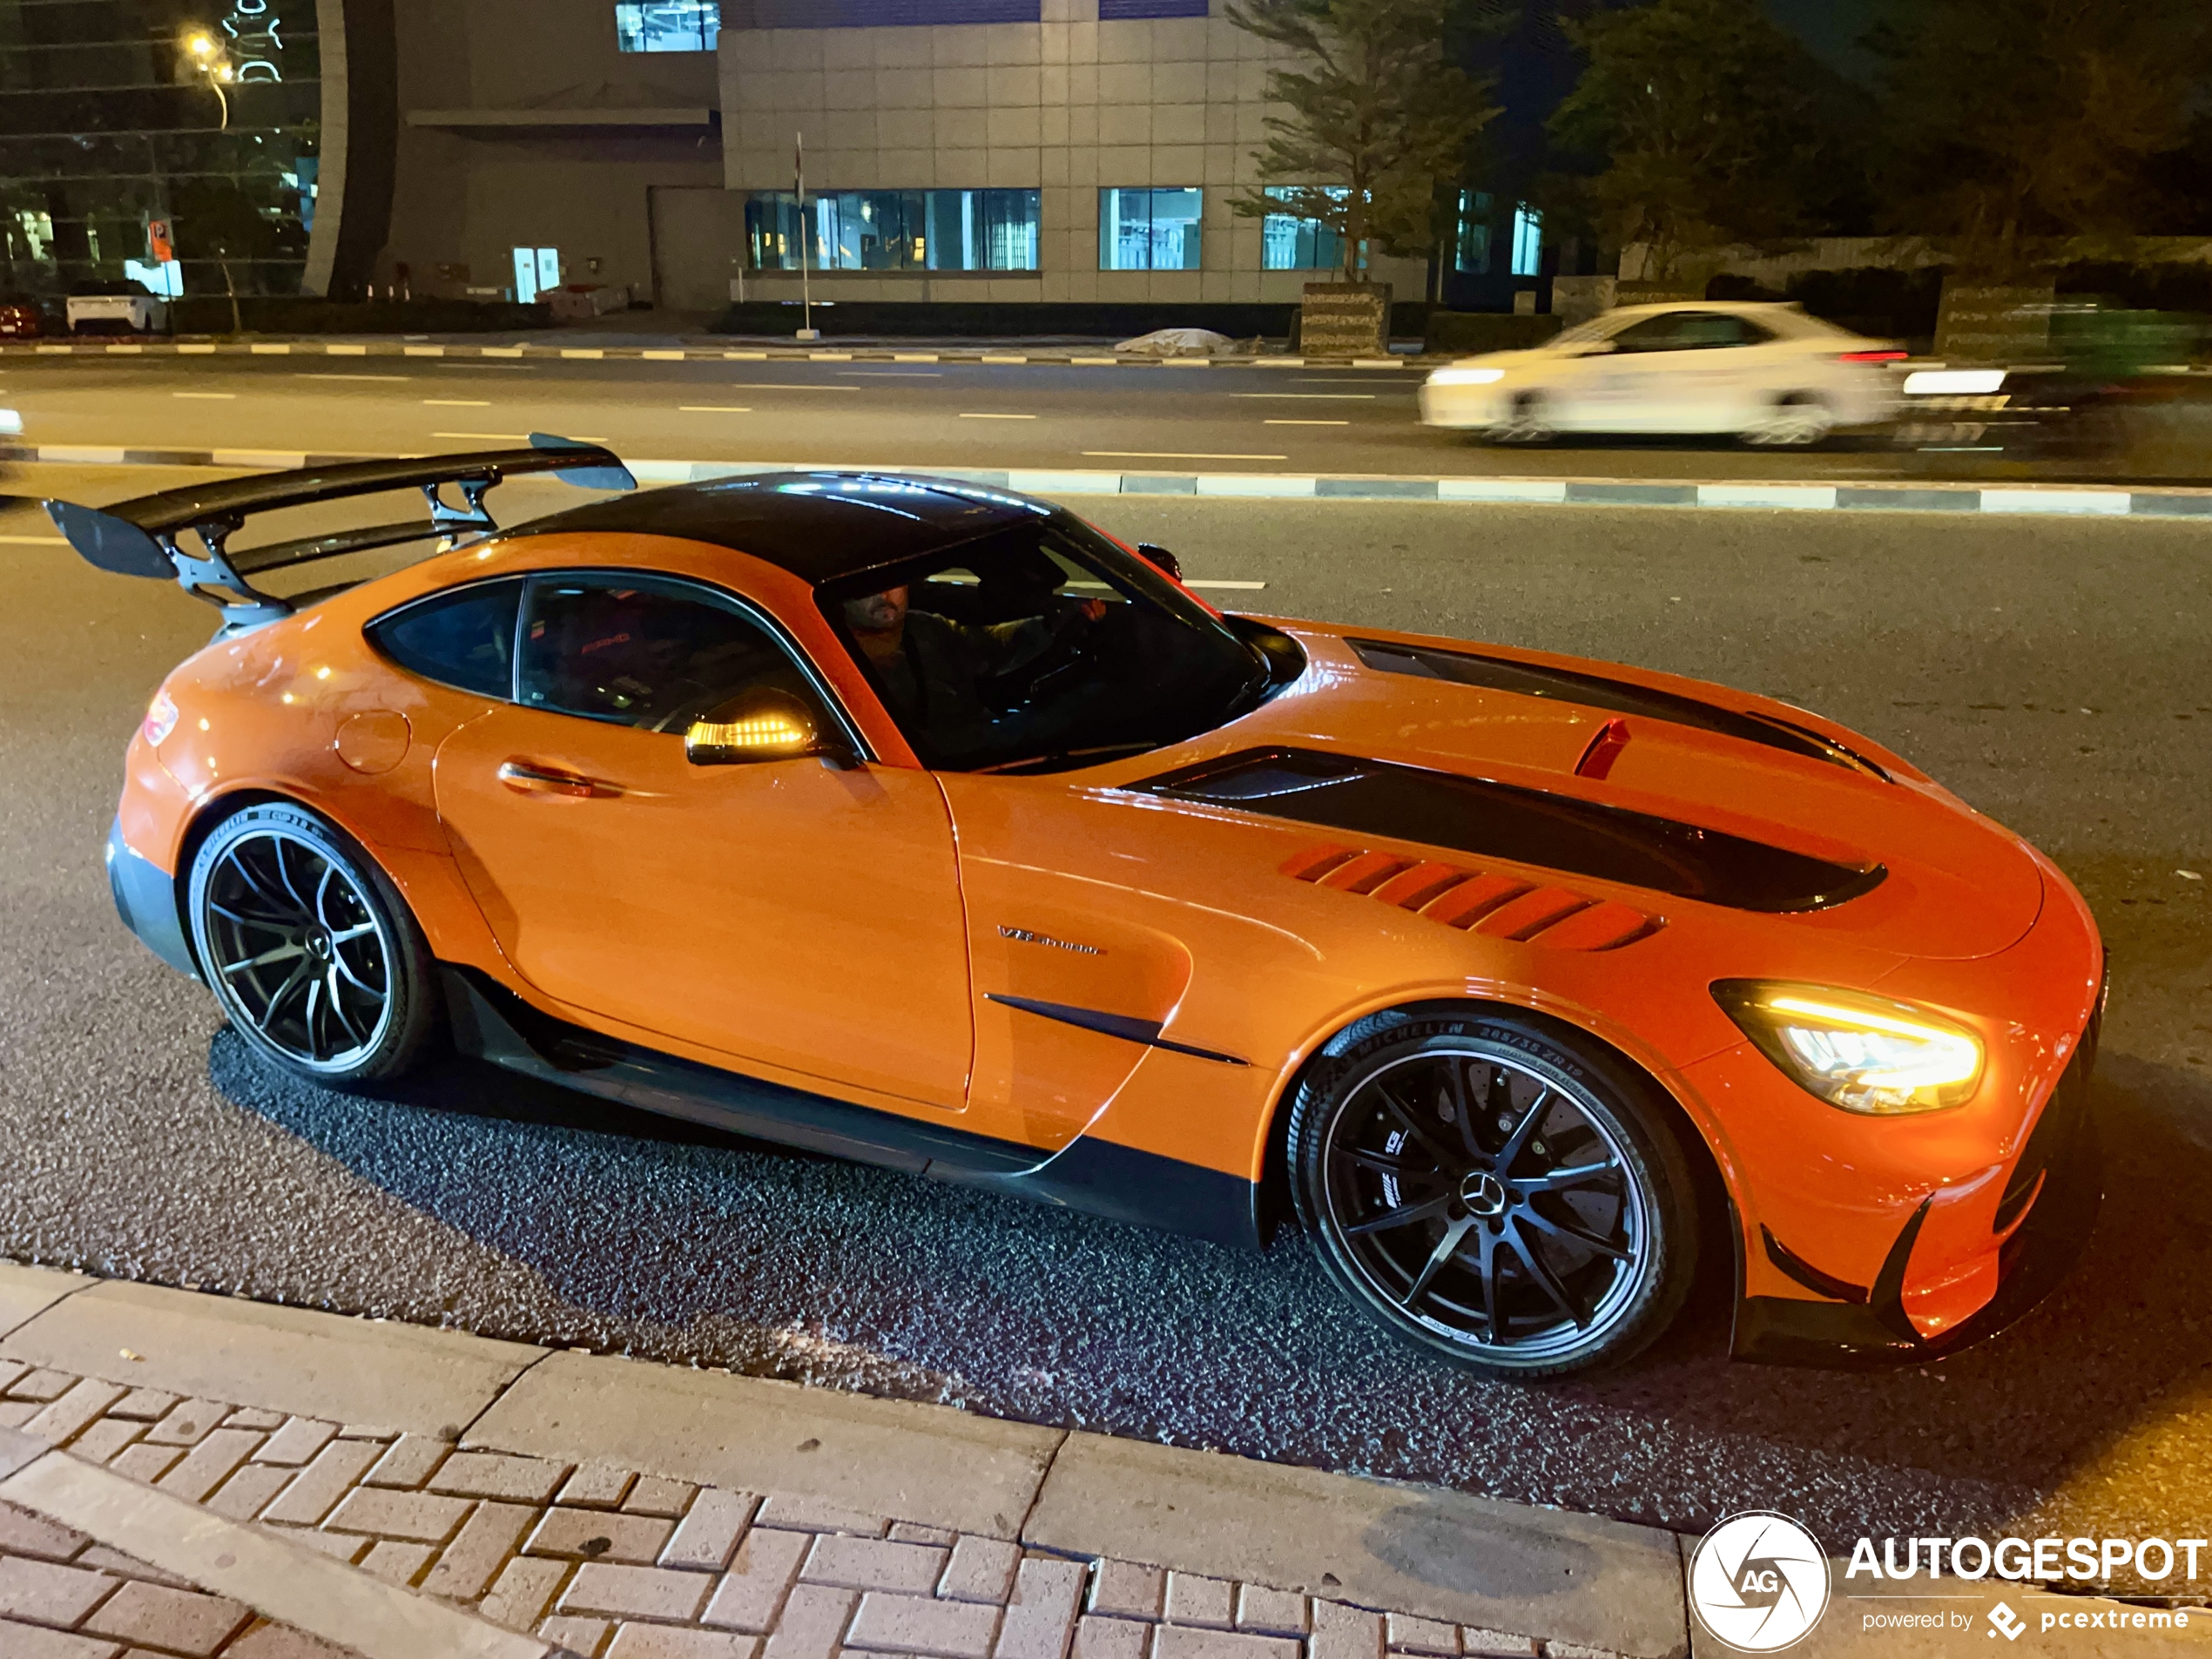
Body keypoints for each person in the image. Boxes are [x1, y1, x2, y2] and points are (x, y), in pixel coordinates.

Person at [840, 580, 1103, 763]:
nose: (885, 595)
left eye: (894, 583)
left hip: (983, 755)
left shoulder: (924, 630)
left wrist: (1051, 627)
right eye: (867, 588)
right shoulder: (825, 648)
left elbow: (990, 645)